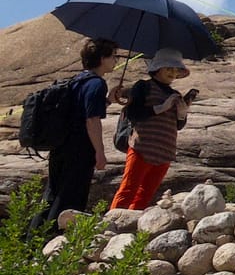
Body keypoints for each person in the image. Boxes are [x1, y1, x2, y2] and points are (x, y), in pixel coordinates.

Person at [39, 38, 117, 227]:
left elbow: (79, 111)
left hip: (61, 145)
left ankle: (34, 241)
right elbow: (91, 120)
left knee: (52, 195)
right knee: (71, 197)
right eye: (114, 56)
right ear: (102, 58)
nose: (116, 60)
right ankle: (57, 244)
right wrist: (99, 151)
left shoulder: (77, 80)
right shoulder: (97, 84)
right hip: (79, 149)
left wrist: (108, 101)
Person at [111, 49, 194, 210]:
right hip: (142, 146)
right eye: (169, 68)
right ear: (158, 68)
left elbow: (177, 125)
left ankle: (131, 229)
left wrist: (182, 114)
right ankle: (110, 228)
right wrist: (161, 107)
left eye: (176, 69)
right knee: (128, 189)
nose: (173, 72)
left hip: (165, 151)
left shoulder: (175, 94)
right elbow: (134, 113)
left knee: (146, 194)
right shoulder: (143, 86)